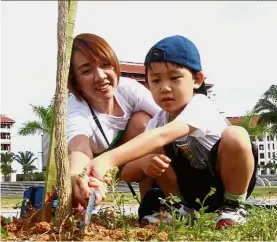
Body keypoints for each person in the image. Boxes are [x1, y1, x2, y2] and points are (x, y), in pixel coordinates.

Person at [81, 35, 258, 229]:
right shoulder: (158, 122)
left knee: (236, 135)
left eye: (174, 78)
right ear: (147, 86)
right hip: (191, 191)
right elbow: (129, 173)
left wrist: (107, 159)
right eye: (156, 81)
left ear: (197, 80)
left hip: (223, 183)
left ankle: (233, 207)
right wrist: (143, 164)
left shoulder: (200, 106)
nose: (165, 88)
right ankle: (180, 209)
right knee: (151, 149)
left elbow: (164, 135)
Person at [67, 33, 161, 209]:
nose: (100, 76)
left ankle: (150, 207)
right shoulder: (75, 108)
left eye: (105, 65)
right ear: (76, 82)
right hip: (95, 171)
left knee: (144, 122)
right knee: (77, 198)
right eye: (87, 71)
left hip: (125, 163)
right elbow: (79, 149)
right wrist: (80, 177)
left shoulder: (128, 89)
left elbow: (168, 121)